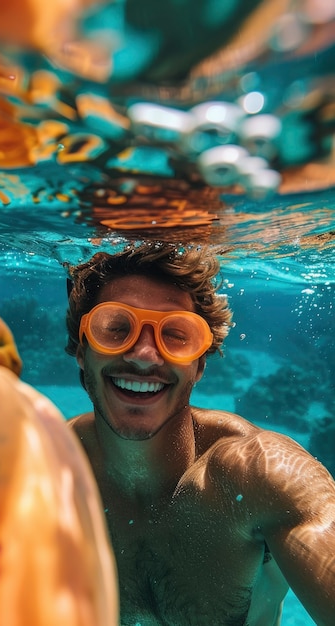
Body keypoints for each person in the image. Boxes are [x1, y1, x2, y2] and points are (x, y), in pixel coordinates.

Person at [65, 240, 335, 626]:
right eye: (116, 328)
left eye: (175, 335)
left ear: (199, 365)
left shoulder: (258, 475)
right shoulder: (42, 474)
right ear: (81, 349)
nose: (143, 355)